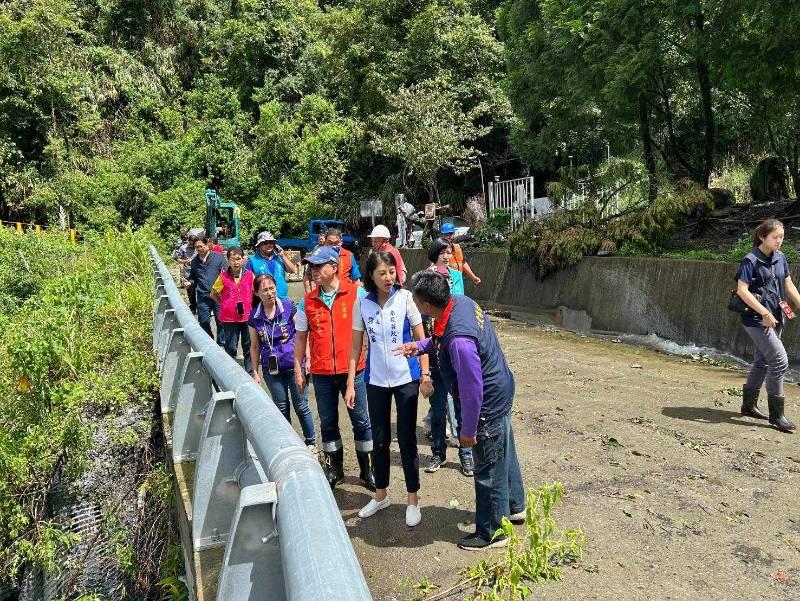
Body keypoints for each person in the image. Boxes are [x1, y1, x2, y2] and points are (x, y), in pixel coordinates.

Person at [396, 271, 525, 550]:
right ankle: (515, 506)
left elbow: (472, 389)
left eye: (418, 303)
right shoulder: (460, 303)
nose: (417, 308)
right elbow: (440, 339)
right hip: (501, 387)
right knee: (504, 451)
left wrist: (468, 430)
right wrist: (418, 347)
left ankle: (493, 532)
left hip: (487, 401)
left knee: (488, 466)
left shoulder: (459, 341)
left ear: (428, 306)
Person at [345, 251, 431, 527]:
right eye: (382, 273)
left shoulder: (406, 299)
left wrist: (425, 375)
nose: (388, 277)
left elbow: (422, 340)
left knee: (407, 440)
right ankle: (380, 494)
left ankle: (412, 499)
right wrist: (350, 383)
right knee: (379, 440)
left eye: (391, 272)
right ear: (370, 275)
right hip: (376, 380)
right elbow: (356, 346)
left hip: (406, 378)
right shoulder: (362, 304)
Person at [294, 246, 375, 489]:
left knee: (361, 421)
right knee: (328, 422)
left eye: (319, 266)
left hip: (355, 370)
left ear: (334, 267)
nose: (313, 271)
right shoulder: (306, 302)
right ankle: (334, 468)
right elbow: (299, 338)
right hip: (322, 373)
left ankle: (367, 469)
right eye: (312, 266)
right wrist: (299, 368)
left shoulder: (357, 294)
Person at [735, 219, 798, 433]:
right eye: (775, 237)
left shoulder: (780, 258)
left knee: (762, 360)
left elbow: (788, 284)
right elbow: (742, 290)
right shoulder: (750, 260)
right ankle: (776, 415)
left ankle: (748, 405)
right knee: (779, 361)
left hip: (777, 316)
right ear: (763, 237)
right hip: (756, 319)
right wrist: (764, 312)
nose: (779, 241)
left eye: (782, 237)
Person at [422, 239, 474, 477]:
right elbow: (422, 314)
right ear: (434, 254)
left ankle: (466, 456)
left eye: (449, 252)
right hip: (434, 350)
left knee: (462, 406)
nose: (446, 256)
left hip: (454, 349)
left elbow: (460, 308)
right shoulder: (425, 277)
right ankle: (438, 453)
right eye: (442, 252)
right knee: (438, 406)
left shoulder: (456, 276)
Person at [249, 274, 318, 453]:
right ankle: (289, 444)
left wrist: (308, 359)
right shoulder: (254, 317)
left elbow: (302, 335)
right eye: (264, 290)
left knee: (301, 406)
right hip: (272, 370)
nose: (270, 293)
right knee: (280, 406)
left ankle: (311, 443)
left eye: (272, 288)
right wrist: (254, 371)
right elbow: (255, 346)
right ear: (256, 293)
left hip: (294, 365)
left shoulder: (288, 307)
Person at [211, 247, 253, 373]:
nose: (236, 263)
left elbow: (255, 292)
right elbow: (213, 293)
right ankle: (232, 372)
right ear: (228, 261)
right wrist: (223, 304)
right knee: (231, 346)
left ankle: (250, 371)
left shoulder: (250, 275)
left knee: (248, 345)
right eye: (233, 260)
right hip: (229, 318)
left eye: (238, 259)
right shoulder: (223, 276)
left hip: (247, 317)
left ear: (243, 260)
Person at [189, 236, 227, 345]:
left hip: (218, 296)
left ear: (207, 245)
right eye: (196, 247)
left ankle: (221, 344)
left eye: (200, 246)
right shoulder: (195, 262)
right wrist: (189, 282)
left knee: (221, 321)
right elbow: (192, 278)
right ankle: (210, 343)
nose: (198, 249)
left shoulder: (218, 258)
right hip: (203, 296)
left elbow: (226, 274)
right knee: (204, 321)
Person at [303, 228, 361, 293]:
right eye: (330, 243)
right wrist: (309, 296)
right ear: (325, 242)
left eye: (336, 243)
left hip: (344, 295)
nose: (333, 246)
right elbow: (307, 277)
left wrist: (357, 295)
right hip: (323, 295)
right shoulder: (318, 254)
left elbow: (356, 279)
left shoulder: (348, 255)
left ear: (341, 242)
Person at [245, 231, 298, 299]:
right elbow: (247, 283)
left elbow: (292, 270)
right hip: (263, 301)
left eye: (271, 242)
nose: (269, 245)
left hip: (282, 298)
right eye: (265, 243)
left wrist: (283, 256)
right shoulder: (251, 261)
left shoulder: (280, 258)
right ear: (259, 245)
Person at [173, 230, 198, 314]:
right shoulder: (183, 248)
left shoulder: (199, 247)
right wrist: (186, 261)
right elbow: (177, 259)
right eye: (190, 243)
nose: (192, 245)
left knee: (202, 290)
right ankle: (193, 306)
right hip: (188, 273)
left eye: (193, 244)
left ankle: (203, 308)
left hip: (199, 272)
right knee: (191, 290)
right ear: (188, 241)